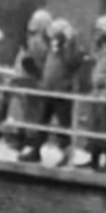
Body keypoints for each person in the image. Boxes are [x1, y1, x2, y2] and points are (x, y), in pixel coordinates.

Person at [18, 18, 86, 165]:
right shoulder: (54, 47)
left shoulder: (72, 48)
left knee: (63, 124)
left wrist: (67, 45)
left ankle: (67, 154)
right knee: (42, 121)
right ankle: (36, 150)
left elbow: (71, 63)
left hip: (62, 90)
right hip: (49, 89)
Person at [0, 9, 52, 151]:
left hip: (28, 82)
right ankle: (19, 137)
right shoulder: (37, 41)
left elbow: (32, 62)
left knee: (25, 112)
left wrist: (30, 70)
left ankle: (21, 138)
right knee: (23, 112)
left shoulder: (38, 42)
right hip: (25, 80)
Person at [86, 15, 106, 172]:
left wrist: (100, 80)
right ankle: (93, 159)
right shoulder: (101, 50)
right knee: (94, 126)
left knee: (103, 128)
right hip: (97, 95)